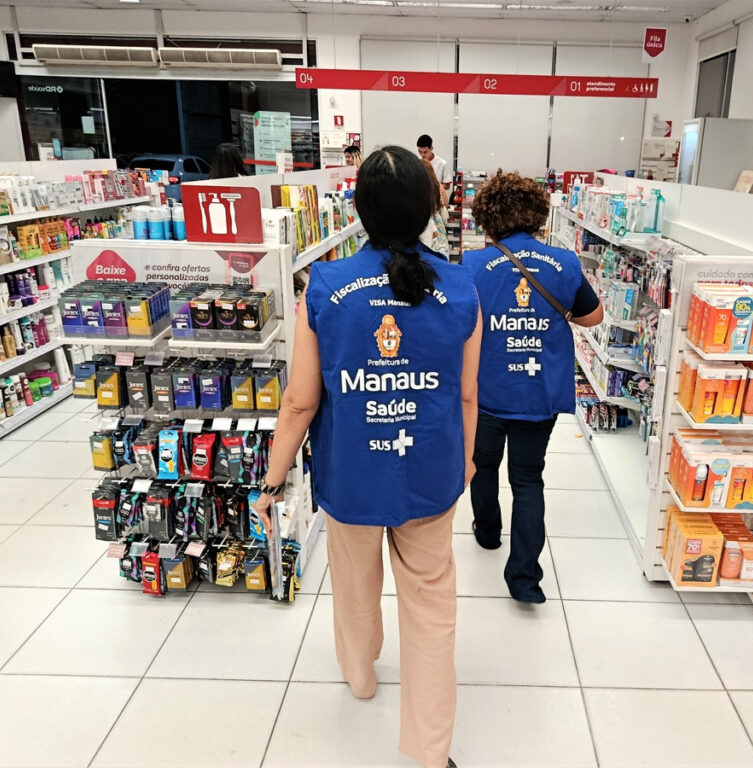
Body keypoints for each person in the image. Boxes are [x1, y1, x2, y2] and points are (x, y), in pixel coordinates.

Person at [254, 145, 481, 768]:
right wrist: (465, 463)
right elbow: (466, 394)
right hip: (429, 472)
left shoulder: (325, 287)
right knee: (431, 607)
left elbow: (300, 403)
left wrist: (272, 482)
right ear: (430, 209)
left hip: (351, 472)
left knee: (354, 585)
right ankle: (431, 749)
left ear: (358, 210)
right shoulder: (462, 288)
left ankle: (360, 675)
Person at [463, 171, 603, 603]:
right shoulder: (564, 263)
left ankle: (488, 533)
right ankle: (524, 580)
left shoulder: (471, 267)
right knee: (528, 479)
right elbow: (593, 317)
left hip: (487, 390)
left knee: (483, 465)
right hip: (538, 391)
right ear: (539, 215)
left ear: (487, 218)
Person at [421, 160, 450, 258]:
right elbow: (446, 204)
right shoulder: (437, 185)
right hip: (438, 227)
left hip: (425, 228)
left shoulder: (418, 186)